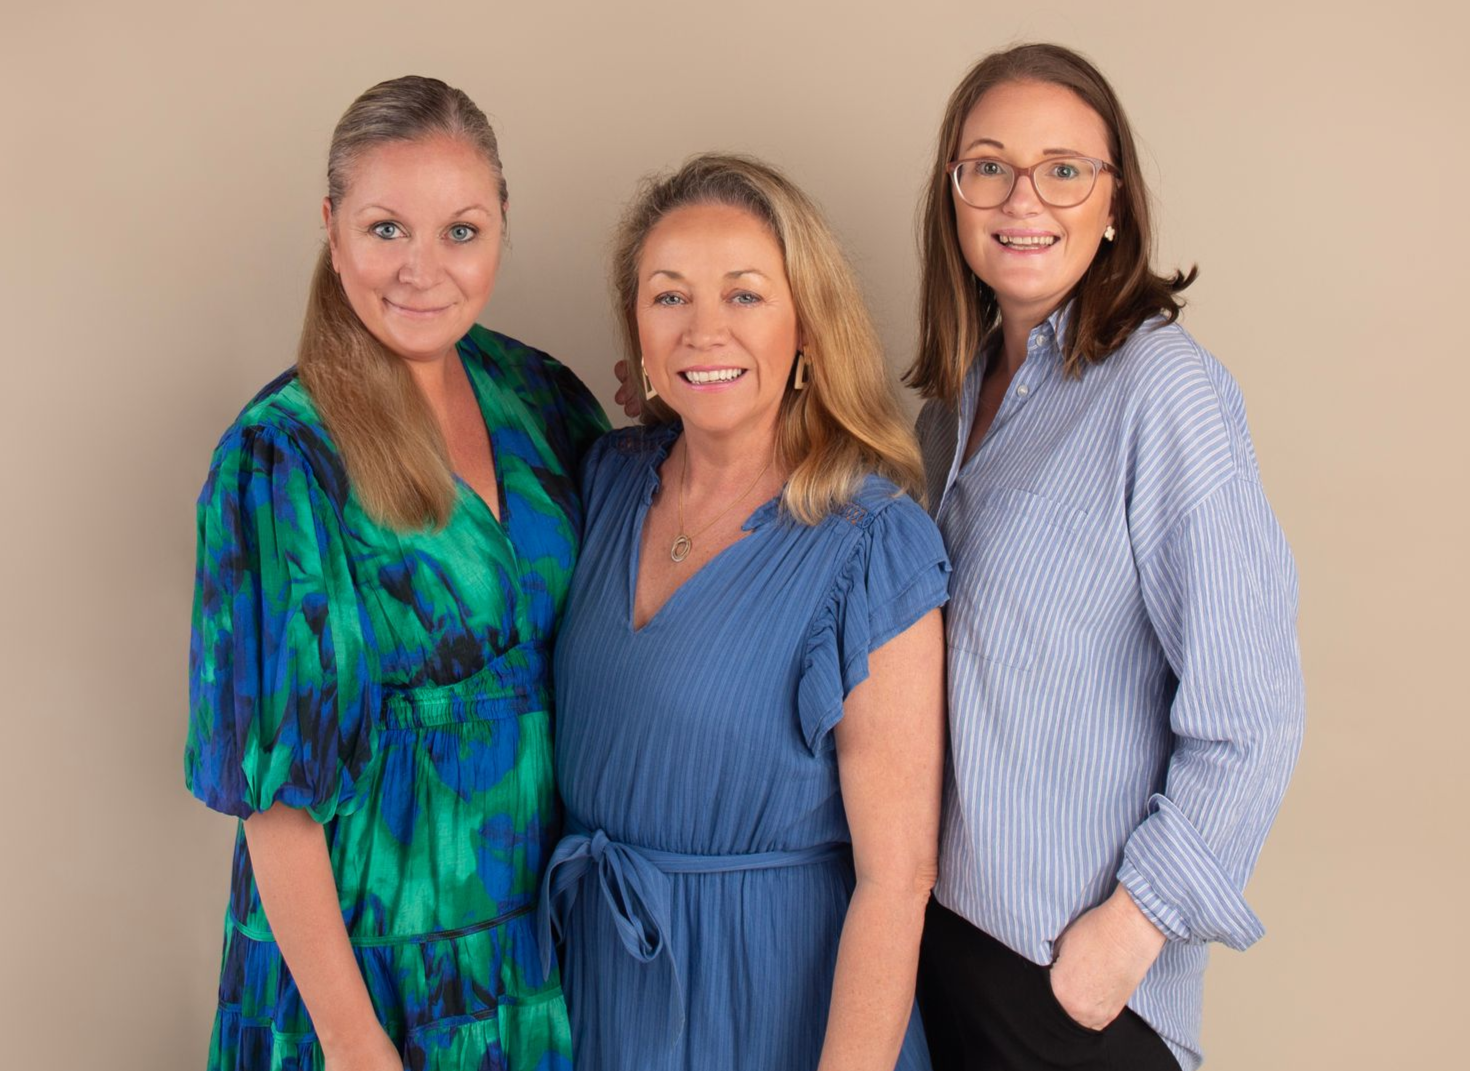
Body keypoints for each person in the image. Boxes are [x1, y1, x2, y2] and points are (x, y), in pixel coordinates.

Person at [184, 76, 605, 1071]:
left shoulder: (541, 396)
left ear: (501, 229)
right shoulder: (281, 459)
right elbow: (276, 800)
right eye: (386, 229)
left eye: (461, 231)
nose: (424, 271)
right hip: (366, 978)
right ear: (332, 229)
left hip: (533, 959)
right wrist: (353, 1042)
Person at [908, 45, 1304, 1071]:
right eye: (987, 165)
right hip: (934, 948)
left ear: (1116, 200)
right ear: (953, 196)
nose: (1021, 197)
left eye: (1063, 168)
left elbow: (1251, 712)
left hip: (1065, 981)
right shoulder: (948, 414)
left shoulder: (1163, 393)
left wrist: (1129, 933)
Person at [539, 154, 949, 1071]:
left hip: (773, 1005)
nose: (703, 331)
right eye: (670, 297)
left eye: (746, 296)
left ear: (807, 325)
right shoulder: (605, 481)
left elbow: (898, 878)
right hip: (601, 988)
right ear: (637, 333)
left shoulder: (871, 542)